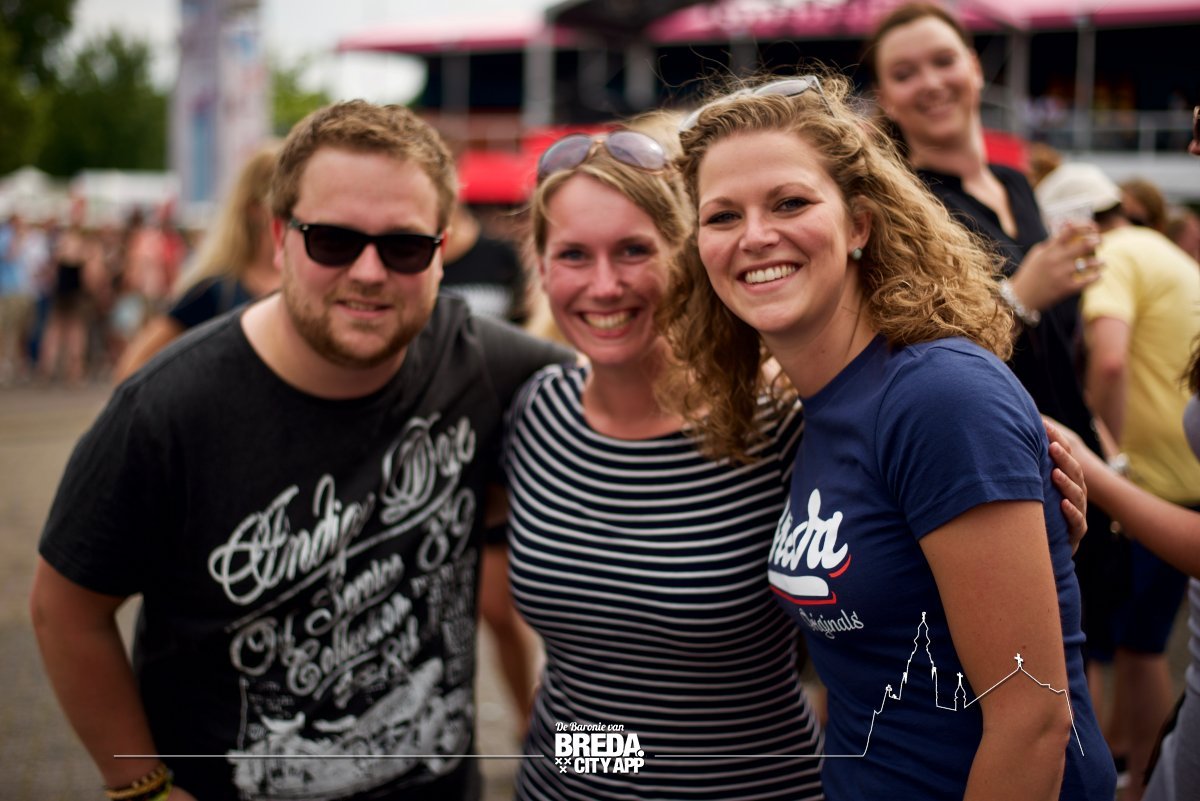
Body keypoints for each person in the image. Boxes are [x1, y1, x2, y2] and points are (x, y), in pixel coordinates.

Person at [30, 100, 569, 801]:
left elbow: (637, 395)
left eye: (404, 246)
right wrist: (141, 787)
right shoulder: (166, 411)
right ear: (280, 237)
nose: (369, 271)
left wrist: (611, 761)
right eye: (333, 240)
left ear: (441, 252)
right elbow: (65, 609)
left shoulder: (485, 365)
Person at [662, 70, 1115, 800]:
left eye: (790, 202)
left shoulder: (939, 397)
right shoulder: (821, 405)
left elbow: (1032, 721)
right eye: (722, 216)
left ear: (860, 225)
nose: (755, 236)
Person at [503, 121, 825, 801]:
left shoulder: (773, 421)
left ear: (684, 256)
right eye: (573, 254)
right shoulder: (534, 412)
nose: (604, 285)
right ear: (541, 268)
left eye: (633, 250)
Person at [863, 0, 1127, 722]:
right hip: (994, 474)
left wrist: (1107, 447)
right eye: (905, 73)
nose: (931, 82)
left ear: (976, 69)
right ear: (886, 97)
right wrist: (1021, 296)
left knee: (1087, 670)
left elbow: (1067, 351)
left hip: (1078, 463)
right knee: (1027, 693)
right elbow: (919, 358)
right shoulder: (908, 206)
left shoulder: (1015, 186)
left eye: (943, 60)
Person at [114, 143, 282, 382]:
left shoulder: (303, 287)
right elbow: (131, 369)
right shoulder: (216, 290)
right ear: (254, 208)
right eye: (285, 200)